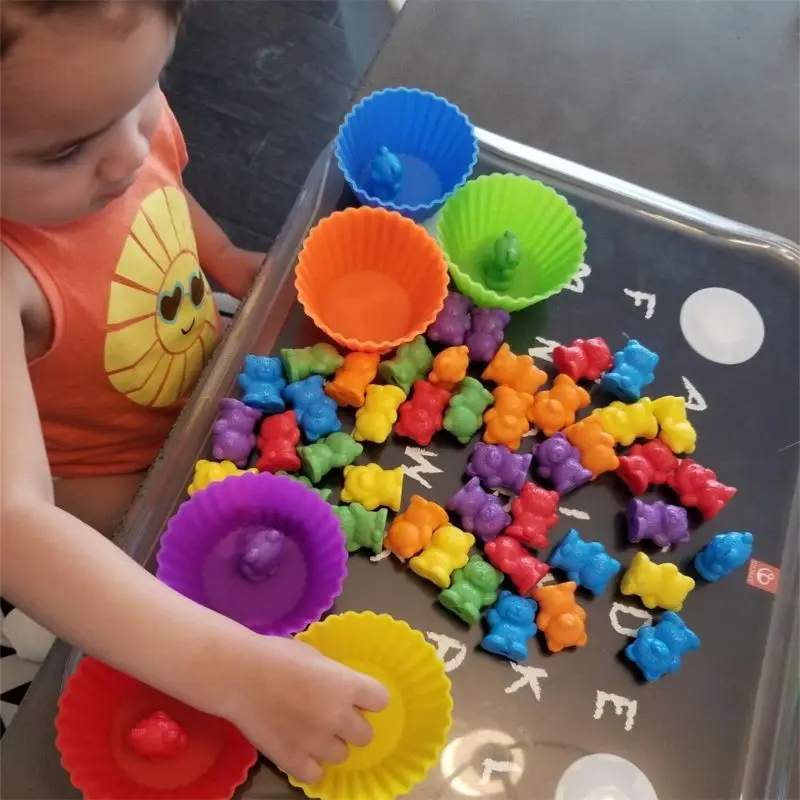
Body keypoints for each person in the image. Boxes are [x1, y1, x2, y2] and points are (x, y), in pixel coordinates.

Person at [0, 0, 387, 783]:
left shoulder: (112, 109)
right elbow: (15, 525)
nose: (124, 154)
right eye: (66, 150)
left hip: (191, 357)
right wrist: (235, 672)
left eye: (148, 89)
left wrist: (219, 257)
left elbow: (156, 193)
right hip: (104, 485)